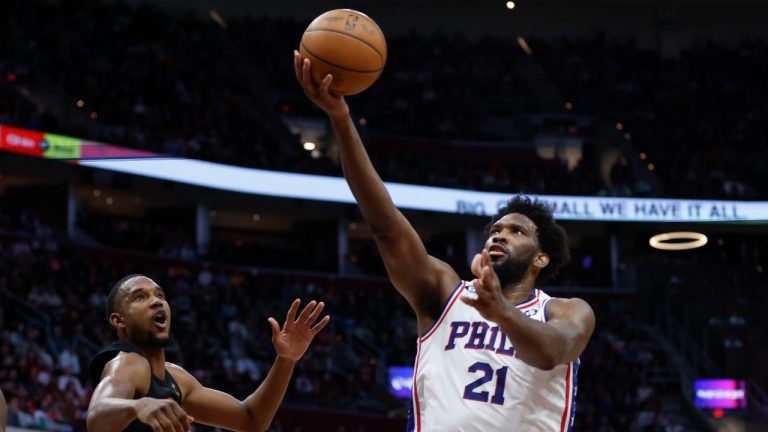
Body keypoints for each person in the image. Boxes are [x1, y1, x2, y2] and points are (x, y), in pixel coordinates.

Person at [294, 52, 596, 431]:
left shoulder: (566, 311)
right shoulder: (445, 292)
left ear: (541, 258)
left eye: (517, 232)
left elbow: (553, 351)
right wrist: (340, 119)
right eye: (495, 230)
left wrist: (501, 311)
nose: (500, 234)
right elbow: (386, 227)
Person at [87, 274, 329, 432]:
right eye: (140, 297)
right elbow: (97, 415)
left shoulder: (176, 378)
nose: (157, 301)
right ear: (118, 320)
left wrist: (286, 360)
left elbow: (251, 420)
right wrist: (138, 407)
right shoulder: (128, 362)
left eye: (160, 295)